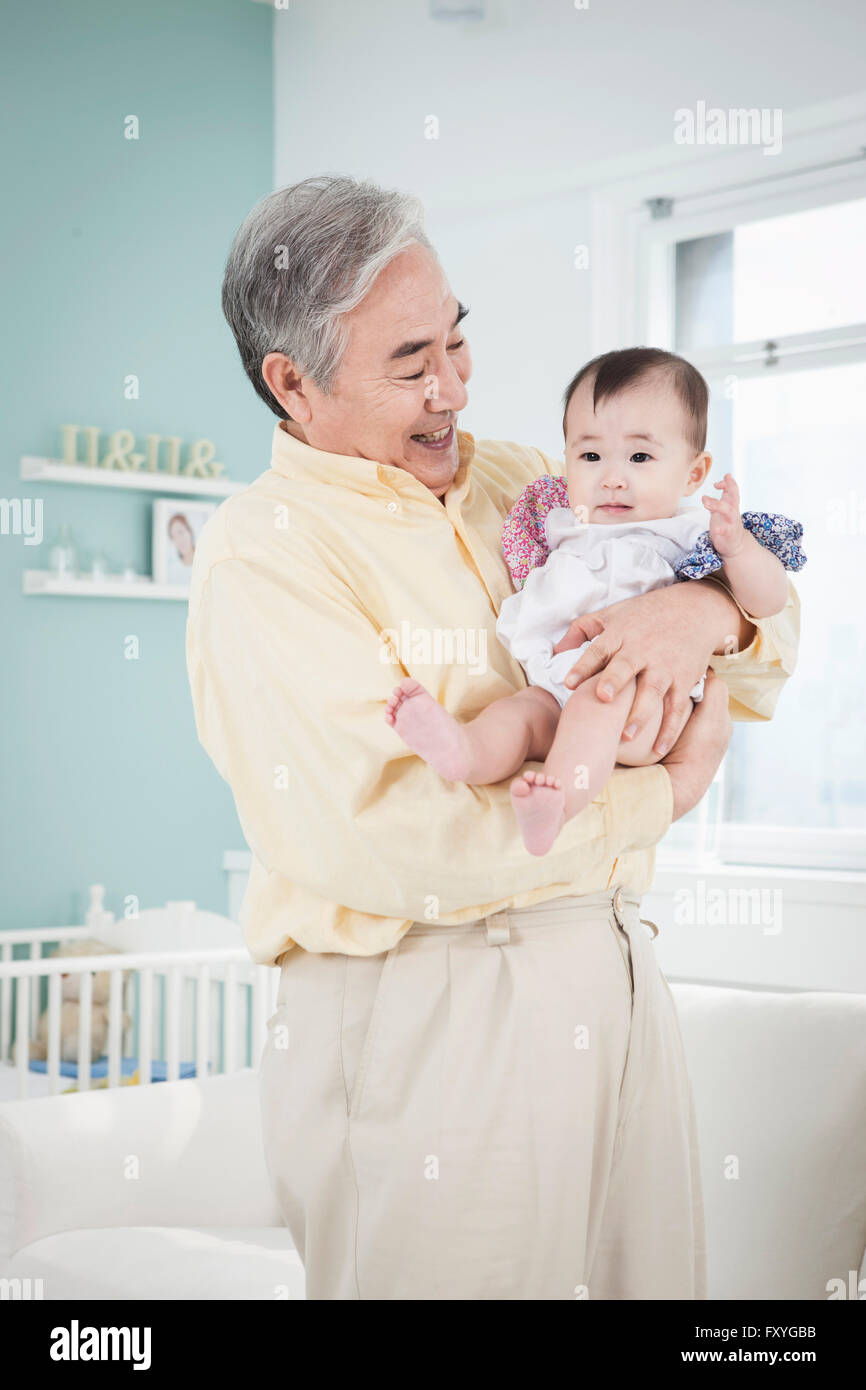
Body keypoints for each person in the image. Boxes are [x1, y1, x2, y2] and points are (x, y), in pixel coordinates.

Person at [185, 175, 800, 1300]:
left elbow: (769, 642)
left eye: (457, 341)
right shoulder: (263, 555)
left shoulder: (528, 480)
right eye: (409, 362)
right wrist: (660, 795)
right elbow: (399, 841)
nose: (452, 387)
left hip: (608, 955)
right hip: (432, 1001)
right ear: (291, 382)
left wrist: (699, 610)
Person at [386, 346, 805, 855]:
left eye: (640, 457)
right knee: (519, 715)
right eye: (590, 456)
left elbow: (769, 602)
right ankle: (464, 752)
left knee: (593, 703)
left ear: (694, 474)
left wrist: (737, 549)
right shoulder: (556, 520)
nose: (611, 476)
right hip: (554, 682)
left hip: (635, 703)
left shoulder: (691, 531)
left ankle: (558, 807)